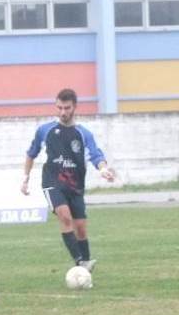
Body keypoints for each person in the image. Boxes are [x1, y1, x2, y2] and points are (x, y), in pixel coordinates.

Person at [21, 88, 115, 270]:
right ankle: (80, 262)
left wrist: (103, 169)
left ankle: (85, 266)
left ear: (75, 107)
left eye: (67, 108)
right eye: (59, 108)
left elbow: (95, 155)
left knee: (80, 228)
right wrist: (25, 178)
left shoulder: (83, 134)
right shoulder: (45, 130)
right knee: (65, 217)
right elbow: (31, 154)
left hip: (75, 186)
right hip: (52, 183)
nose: (63, 112)